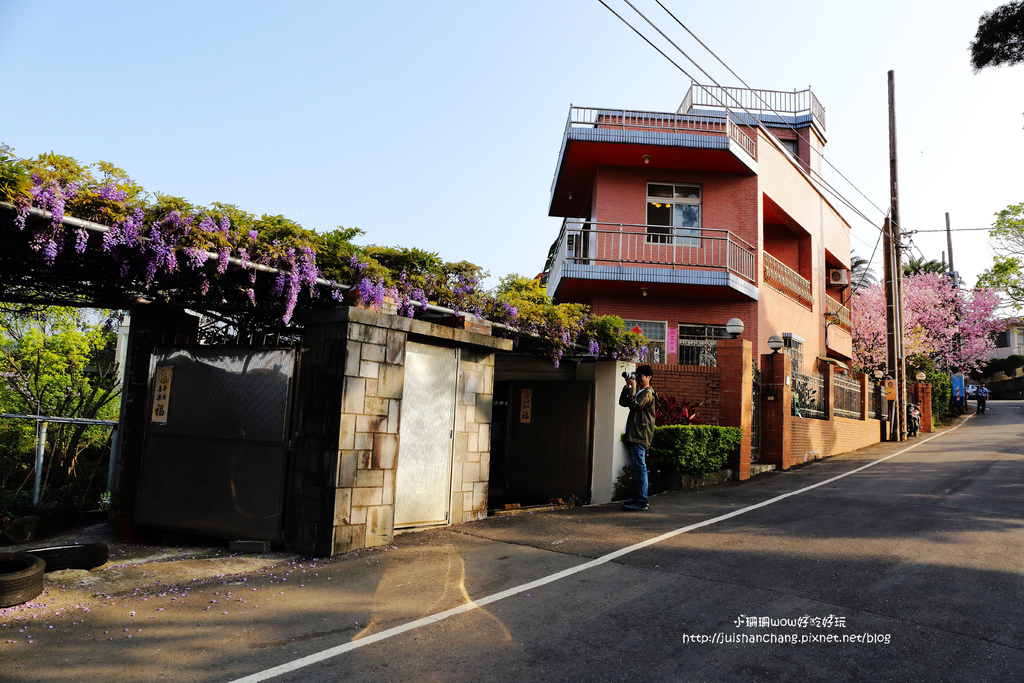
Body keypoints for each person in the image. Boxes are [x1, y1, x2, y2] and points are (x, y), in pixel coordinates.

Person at [619, 364, 657, 511]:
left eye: (641, 375)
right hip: (634, 434)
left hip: (640, 435)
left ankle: (641, 501)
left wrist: (634, 388)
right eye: (637, 374)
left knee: (640, 468)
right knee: (637, 468)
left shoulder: (648, 393)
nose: (638, 378)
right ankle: (638, 499)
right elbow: (623, 402)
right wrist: (628, 386)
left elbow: (634, 405)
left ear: (649, 377)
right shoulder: (640, 391)